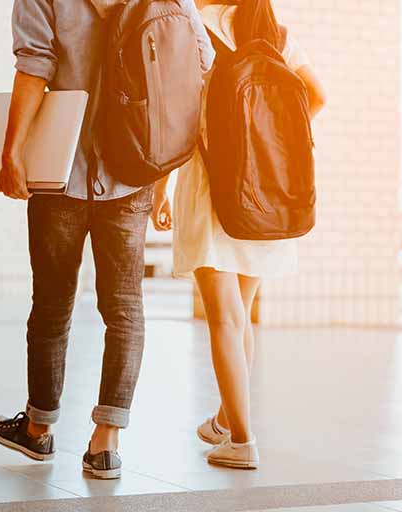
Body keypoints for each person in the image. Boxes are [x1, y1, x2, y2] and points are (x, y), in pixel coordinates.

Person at [0, 0, 214, 480]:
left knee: (51, 304)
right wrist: (164, 169)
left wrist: (11, 153)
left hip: (61, 172)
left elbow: (34, 67)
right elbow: (199, 64)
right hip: (132, 173)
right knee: (125, 309)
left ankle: (37, 428)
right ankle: (106, 442)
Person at [152, 0, 327, 469]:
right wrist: (266, 137)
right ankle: (228, 420)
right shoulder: (277, 33)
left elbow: (178, 118)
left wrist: (160, 187)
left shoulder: (194, 28)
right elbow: (318, 96)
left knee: (225, 319)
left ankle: (243, 440)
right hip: (266, 191)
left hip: (213, 188)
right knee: (240, 317)